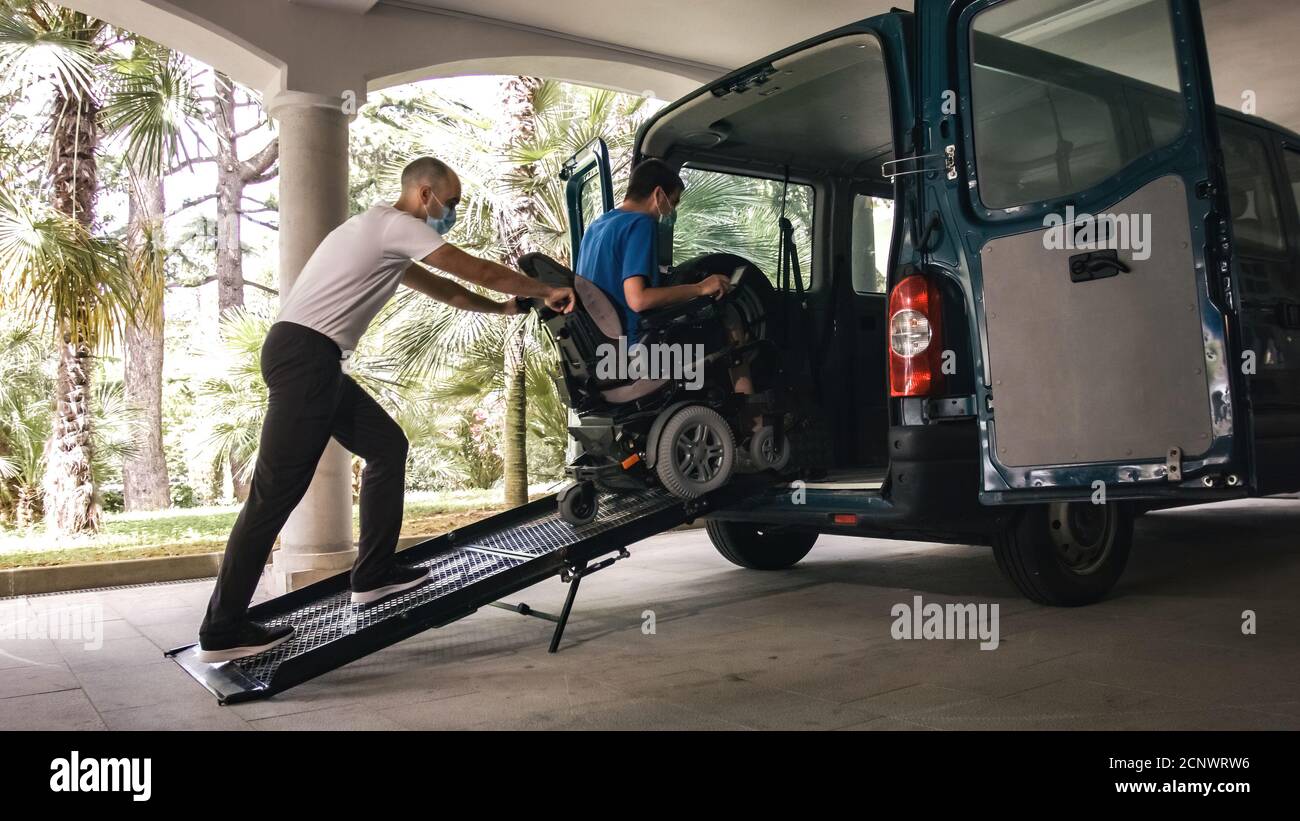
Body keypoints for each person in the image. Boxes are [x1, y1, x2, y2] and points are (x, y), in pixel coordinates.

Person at [195, 157, 574, 663]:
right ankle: (222, 630)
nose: (451, 212)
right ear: (424, 194)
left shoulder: (381, 234)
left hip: (316, 360)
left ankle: (371, 577)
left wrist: (506, 309)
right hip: (306, 358)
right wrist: (546, 289)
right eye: (451, 202)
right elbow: (476, 270)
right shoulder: (396, 225)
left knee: (386, 446)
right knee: (273, 495)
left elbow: (450, 289)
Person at [576, 159, 731, 345]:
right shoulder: (641, 223)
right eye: (672, 202)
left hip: (599, 345)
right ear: (658, 194)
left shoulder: (597, 226)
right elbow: (638, 300)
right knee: (729, 323)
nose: (671, 211)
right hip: (633, 347)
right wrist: (701, 288)